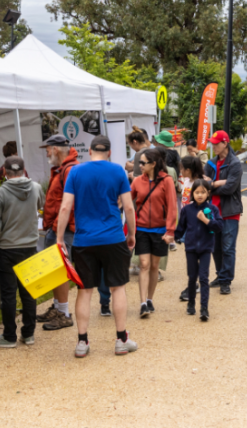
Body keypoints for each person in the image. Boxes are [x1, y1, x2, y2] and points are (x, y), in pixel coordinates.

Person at [56, 135, 138, 358]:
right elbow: (129, 208)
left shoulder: (76, 172)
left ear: (90, 151)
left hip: (84, 241)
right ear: (109, 152)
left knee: (85, 291)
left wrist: (60, 238)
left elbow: (65, 208)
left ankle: (82, 342)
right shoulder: (118, 172)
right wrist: (131, 234)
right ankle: (121, 339)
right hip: (113, 237)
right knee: (118, 287)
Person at [0, 157, 44, 348]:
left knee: (8, 294)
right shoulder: (35, 188)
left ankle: (9, 336)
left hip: (8, 248)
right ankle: (28, 334)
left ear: (4, 171)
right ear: (24, 170)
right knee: (29, 292)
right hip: (30, 246)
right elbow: (39, 206)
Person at [38, 135, 79, 329]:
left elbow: (69, 204)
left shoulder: (69, 170)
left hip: (64, 230)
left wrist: (59, 230)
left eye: (47, 149)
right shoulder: (62, 169)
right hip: (57, 227)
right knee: (54, 270)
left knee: (60, 270)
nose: (46, 153)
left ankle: (63, 313)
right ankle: (57, 308)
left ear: (55, 149)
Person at [132, 148, 178, 318]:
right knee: (144, 264)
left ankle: (150, 299)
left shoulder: (166, 181)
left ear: (153, 164)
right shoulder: (137, 181)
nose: (140, 165)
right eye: (139, 162)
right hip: (141, 229)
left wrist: (170, 230)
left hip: (160, 230)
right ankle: (143, 303)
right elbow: (126, 200)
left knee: (154, 266)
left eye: (143, 163)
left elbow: (172, 206)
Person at [205, 130, 243, 295]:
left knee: (228, 247)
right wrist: (217, 183)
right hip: (213, 212)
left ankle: (226, 280)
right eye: (212, 143)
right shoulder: (210, 163)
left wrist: (212, 185)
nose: (213, 146)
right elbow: (201, 185)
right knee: (215, 247)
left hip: (230, 212)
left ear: (225, 143)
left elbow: (230, 188)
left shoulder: (235, 163)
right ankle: (220, 276)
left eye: (216, 143)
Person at [176, 178, 221, 321]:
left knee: (204, 277)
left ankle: (204, 308)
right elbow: (181, 227)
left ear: (208, 193)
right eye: (197, 192)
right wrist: (172, 237)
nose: (200, 195)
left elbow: (219, 227)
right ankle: (191, 303)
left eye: (203, 192)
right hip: (190, 247)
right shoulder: (187, 209)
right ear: (192, 194)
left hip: (206, 247)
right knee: (192, 277)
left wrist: (206, 220)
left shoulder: (212, 209)